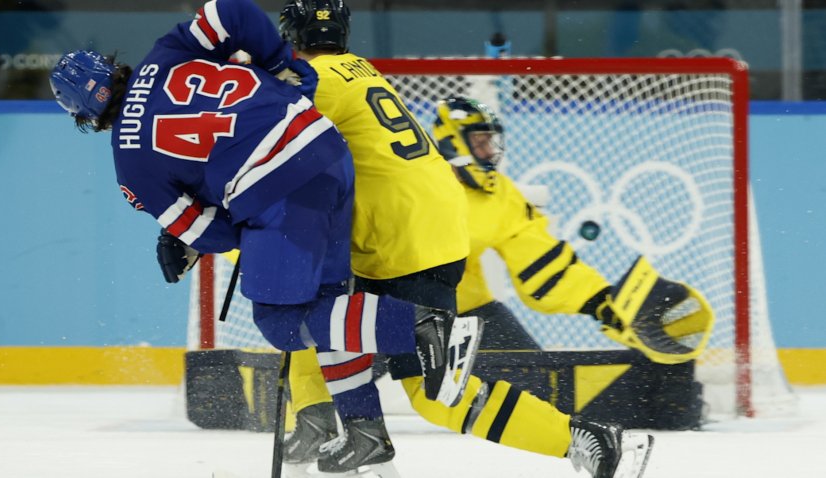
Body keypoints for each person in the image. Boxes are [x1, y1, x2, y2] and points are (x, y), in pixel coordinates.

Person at [47, 0, 481, 451]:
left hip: (280, 195)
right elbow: (231, 12)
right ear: (114, 67)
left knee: (282, 320)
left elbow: (204, 233)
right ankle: (362, 429)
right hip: (327, 151)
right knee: (331, 306)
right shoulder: (166, 54)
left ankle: (422, 327)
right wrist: (279, 63)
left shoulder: (130, 167)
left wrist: (250, 232)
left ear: (83, 116)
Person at [276, 3, 669, 478]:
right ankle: (332, 419)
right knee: (337, 320)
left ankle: (334, 409)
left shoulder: (315, 80)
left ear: (291, 37)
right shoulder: (361, 71)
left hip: (400, 245)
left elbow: (264, 145)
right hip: (427, 239)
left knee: (320, 315)